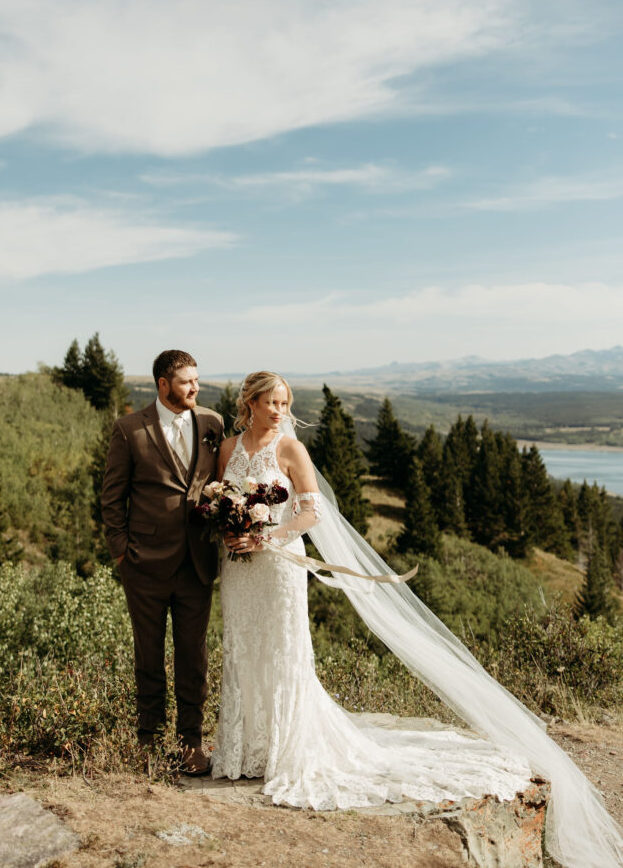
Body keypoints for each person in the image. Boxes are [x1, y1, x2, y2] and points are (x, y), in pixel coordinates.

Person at [210, 371, 623, 868]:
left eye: (285, 402)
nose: (279, 409)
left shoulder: (291, 449)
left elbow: (311, 513)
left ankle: (280, 750)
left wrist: (268, 537)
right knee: (243, 648)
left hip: (279, 566)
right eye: (270, 401)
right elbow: (223, 502)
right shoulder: (228, 447)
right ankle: (244, 749)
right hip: (240, 572)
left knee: (282, 651)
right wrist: (233, 530)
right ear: (248, 402)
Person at [101, 349, 223, 774]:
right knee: (147, 655)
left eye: (196, 380)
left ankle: (191, 743)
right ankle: (147, 743)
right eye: (187, 381)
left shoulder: (212, 424)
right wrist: (122, 553)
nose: (196, 387)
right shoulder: (130, 429)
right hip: (144, 566)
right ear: (163, 385)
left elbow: (220, 484)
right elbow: (112, 498)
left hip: (197, 564)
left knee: (194, 657)